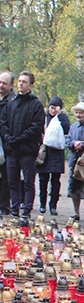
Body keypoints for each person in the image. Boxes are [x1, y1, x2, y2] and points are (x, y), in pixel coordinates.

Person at [0, 71, 45, 218]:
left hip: (27, 150)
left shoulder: (36, 104)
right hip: (12, 149)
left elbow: (36, 127)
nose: (21, 84)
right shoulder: (11, 103)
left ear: (31, 84)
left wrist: (18, 139)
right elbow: (3, 122)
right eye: (19, 81)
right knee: (12, 181)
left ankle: (26, 210)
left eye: (24, 81)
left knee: (28, 182)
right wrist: (8, 137)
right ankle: (14, 209)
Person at [37, 96, 71, 215]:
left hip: (57, 153)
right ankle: (42, 204)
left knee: (55, 181)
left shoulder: (62, 118)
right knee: (42, 180)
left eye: (56, 108)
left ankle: (53, 205)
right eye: (51, 107)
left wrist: (60, 116)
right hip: (45, 153)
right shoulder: (44, 118)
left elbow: (68, 130)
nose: (53, 110)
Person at [0, 71, 15, 215]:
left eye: (4, 83)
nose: (1, 86)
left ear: (11, 85)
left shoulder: (13, 102)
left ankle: (4, 205)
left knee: (6, 177)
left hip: (7, 143)